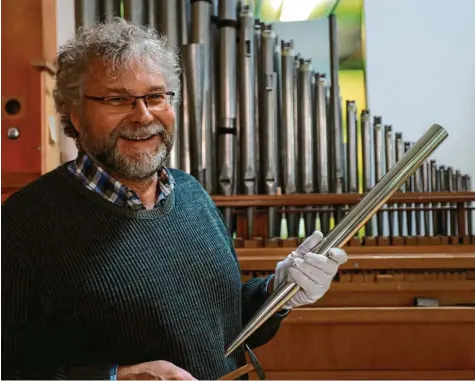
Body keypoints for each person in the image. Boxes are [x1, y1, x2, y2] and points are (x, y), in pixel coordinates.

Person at [1, 18, 347, 380]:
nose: (143, 115)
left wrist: (279, 291)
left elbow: (221, 331)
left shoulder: (192, 195)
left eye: (155, 96)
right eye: (118, 99)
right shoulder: (23, 225)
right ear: (74, 113)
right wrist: (116, 378)